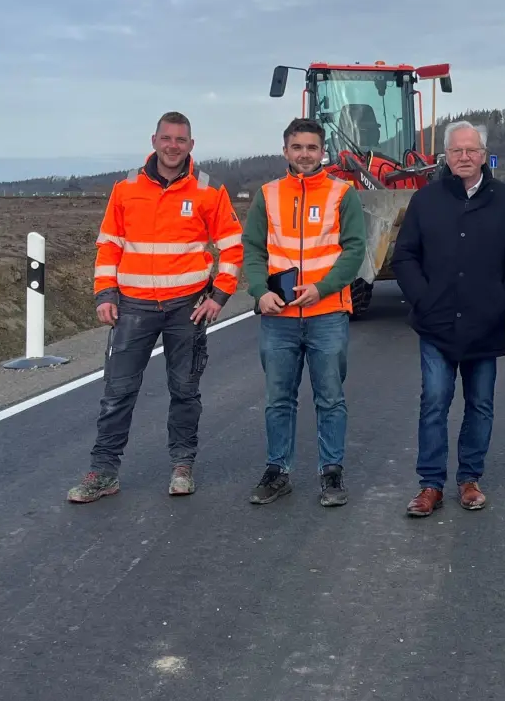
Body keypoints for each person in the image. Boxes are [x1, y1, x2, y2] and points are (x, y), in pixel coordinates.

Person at [68, 111, 243, 503]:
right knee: (117, 392)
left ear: (191, 145)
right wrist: (105, 293)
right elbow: (109, 245)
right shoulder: (126, 189)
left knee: (184, 390)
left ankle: (182, 465)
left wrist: (219, 295)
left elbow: (232, 246)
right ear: (154, 141)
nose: (173, 146)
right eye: (167, 138)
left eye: (180, 140)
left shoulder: (208, 190)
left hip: (187, 307)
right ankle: (103, 472)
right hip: (133, 306)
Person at [391, 121, 505, 516]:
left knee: (480, 404)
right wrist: (423, 299)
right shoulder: (426, 200)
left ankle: (469, 479)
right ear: (446, 156)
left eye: (471, 150)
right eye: (456, 151)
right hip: (436, 324)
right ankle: (430, 484)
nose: (464, 157)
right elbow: (405, 256)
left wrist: (501, 302)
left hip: (485, 323)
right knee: (434, 401)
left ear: (483, 155)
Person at [242, 117, 367, 508]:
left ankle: (331, 473)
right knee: (278, 399)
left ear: (322, 152)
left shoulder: (342, 194)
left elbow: (354, 250)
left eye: (312, 147)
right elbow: (253, 249)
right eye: (297, 147)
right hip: (278, 317)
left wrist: (321, 289)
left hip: (326, 313)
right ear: (285, 151)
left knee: (330, 398)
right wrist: (260, 291)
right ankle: (277, 471)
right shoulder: (267, 195)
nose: (304, 154)